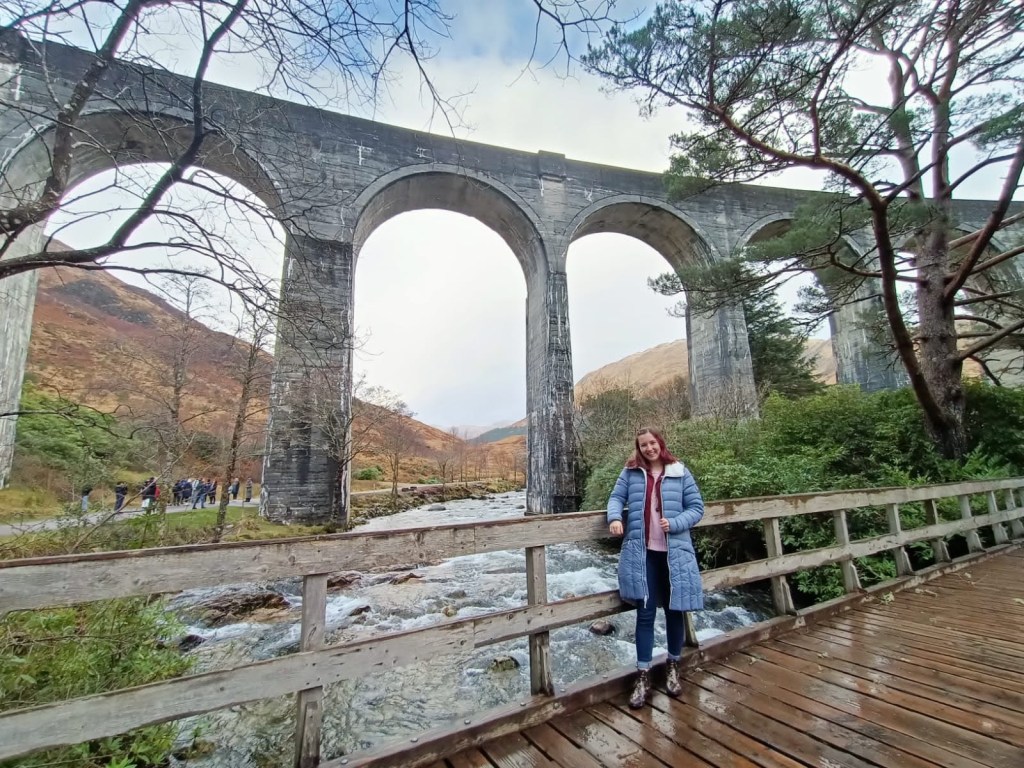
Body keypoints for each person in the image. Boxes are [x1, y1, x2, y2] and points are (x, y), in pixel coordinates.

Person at [606, 427, 705, 710]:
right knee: (645, 613)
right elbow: (616, 498)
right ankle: (643, 676)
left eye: (652, 443)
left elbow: (697, 508)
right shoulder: (630, 472)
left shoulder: (679, 472)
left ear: (660, 443)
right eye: (643, 445)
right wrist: (615, 517)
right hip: (643, 553)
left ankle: (673, 666)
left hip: (674, 554)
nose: (649, 448)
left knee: (675, 611)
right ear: (638, 448)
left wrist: (675, 523)